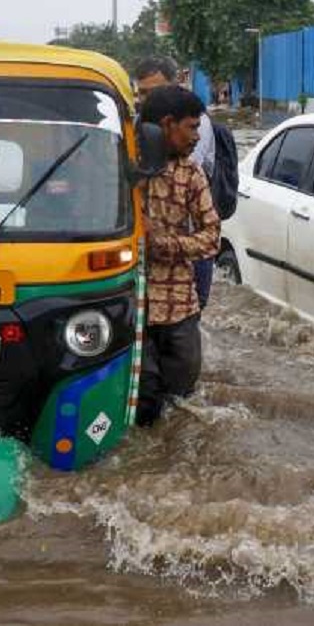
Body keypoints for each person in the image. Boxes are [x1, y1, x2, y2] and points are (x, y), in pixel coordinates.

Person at [135, 85, 221, 425]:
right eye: (192, 127)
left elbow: (212, 237)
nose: (197, 137)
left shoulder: (191, 173)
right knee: (143, 404)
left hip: (179, 307)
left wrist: (165, 243)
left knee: (183, 402)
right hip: (133, 307)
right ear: (168, 124)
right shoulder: (123, 164)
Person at [135, 56, 238, 310]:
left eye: (155, 92)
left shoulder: (192, 131)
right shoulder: (137, 126)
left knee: (189, 318)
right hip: (144, 257)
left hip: (187, 249)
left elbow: (170, 173)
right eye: (142, 94)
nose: (147, 101)